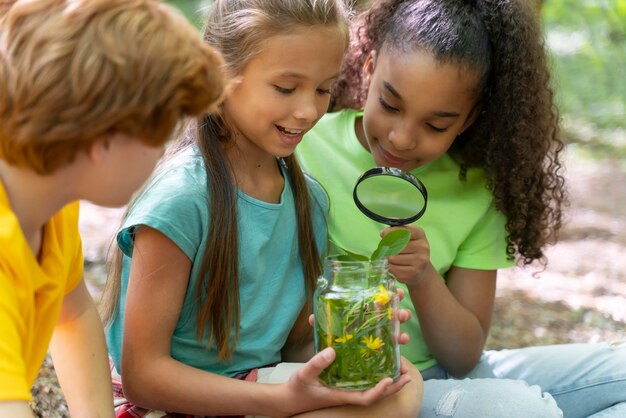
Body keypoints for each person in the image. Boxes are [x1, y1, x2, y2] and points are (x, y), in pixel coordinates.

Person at [296, 0, 626, 417]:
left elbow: (464, 355)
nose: (401, 138)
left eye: (435, 125)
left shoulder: (476, 192)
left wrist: (423, 276)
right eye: (391, 105)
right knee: (525, 410)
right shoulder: (305, 150)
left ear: (469, 119)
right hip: (366, 392)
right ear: (368, 68)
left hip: (446, 378)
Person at [100, 1, 422, 417]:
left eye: (323, 89)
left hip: (253, 388)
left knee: (399, 381)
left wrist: (354, 336)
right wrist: (281, 401)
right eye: (286, 88)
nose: (308, 111)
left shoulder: (309, 201)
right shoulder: (182, 199)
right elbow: (143, 375)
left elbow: (294, 346)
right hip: (165, 404)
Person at [0, 0, 226, 417]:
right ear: (104, 139)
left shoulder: (47, 205)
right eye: (160, 135)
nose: (161, 155)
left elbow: (71, 312)